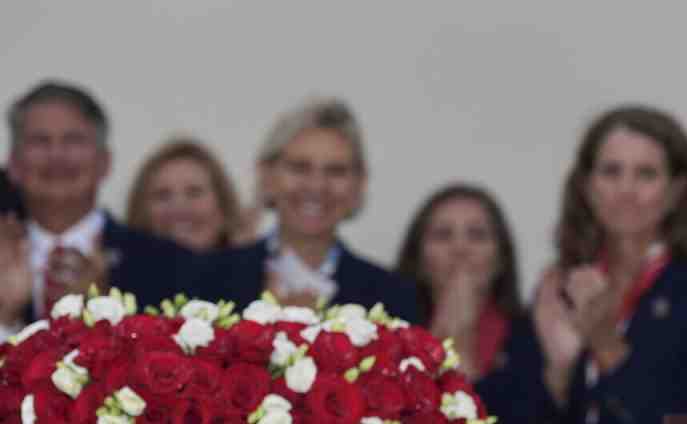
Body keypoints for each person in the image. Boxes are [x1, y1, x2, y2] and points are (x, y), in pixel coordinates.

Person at [525, 105, 687, 424]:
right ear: (587, 186)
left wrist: (606, 344)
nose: (626, 190)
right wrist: (557, 373)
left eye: (646, 174)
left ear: (675, 191)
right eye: (611, 171)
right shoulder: (561, 286)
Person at [0, 82, 200, 335]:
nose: (57, 155)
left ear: (105, 162)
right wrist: (5, 318)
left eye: (73, 140)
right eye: (40, 141)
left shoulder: (168, 263)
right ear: (14, 164)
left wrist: (102, 312)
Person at [196, 98, 419, 320]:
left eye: (336, 171)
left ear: (359, 184)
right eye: (299, 168)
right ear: (267, 175)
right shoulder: (207, 278)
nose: (316, 186)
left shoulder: (394, 296)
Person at [396, 184, 546, 422]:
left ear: (500, 260)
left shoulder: (531, 336)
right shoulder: (390, 333)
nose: (460, 248)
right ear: (419, 260)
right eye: (443, 235)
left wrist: (464, 353)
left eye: (477, 235)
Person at [125, 137, 252, 253]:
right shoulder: (112, 276)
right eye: (162, 195)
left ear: (223, 208)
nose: (178, 207)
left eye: (194, 193)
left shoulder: (260, 274)